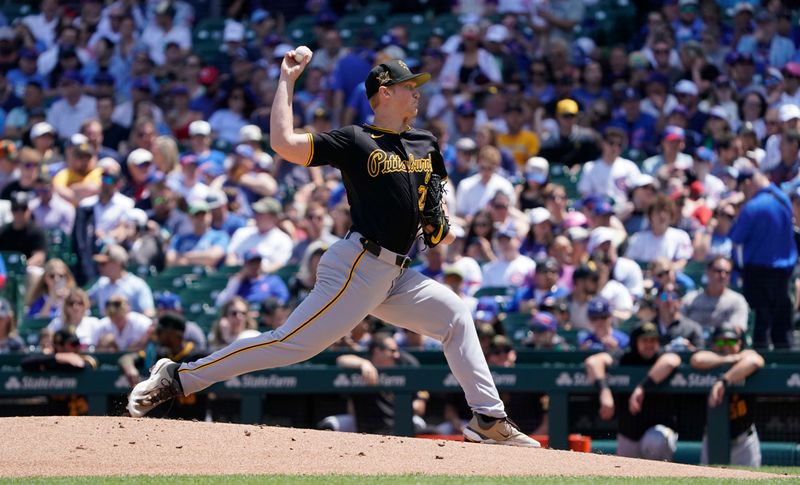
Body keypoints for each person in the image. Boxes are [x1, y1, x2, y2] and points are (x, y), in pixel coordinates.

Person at [128, 53, 540, 447]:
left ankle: (488, 417)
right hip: (358, 265)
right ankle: (179, 376)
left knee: (454, 316)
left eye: (417, 87)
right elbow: (284, 143)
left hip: (396, 273)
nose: (416, 93)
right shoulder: (355, 140)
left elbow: (435, 210)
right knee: (289, 344)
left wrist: (441, 225)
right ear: (383, 93)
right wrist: (287, 81)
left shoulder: (425, 144)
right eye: (407, 86)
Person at [584, 322, 681, 461]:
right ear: (636, 342)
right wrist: (604, 391)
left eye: (653, 340)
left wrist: (641, 388)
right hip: (629, 432)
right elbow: (593, 362)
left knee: (656, 439)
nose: (649, 344)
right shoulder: (625, 357)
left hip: (657, 430)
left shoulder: (661, 356)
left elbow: (672, 361)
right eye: (645, 340)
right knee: (623, 469)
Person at [730, 168, 797, 349]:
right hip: (783, 274)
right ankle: (786, 372)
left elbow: (736, 243)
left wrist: (739, 270)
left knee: (759, 326)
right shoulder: (784, 200)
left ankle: (756, 370)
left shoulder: (752, 207)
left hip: (756, 274)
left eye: (743, 189)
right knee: (782, 328)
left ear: (748, 183)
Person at [690, 323, 763, 467]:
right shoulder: (711, 358)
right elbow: (696, 359)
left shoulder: (746, 355)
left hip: (744, 440)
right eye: (721, 341)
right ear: (713, 344)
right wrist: (729, 359)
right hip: (713, 438)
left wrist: (723, 381)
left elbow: (755, 360)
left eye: (730, 341)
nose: (726, 346)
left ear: (739, 343)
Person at [681, 256, 749, 332]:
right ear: (707, 272)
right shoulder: (690, 298)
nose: (723, 275)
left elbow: (737, 331)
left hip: (722, 342)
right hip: (691, 341)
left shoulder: (737, 301)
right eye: (718, 271)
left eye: (727, 272)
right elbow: (678, 324)